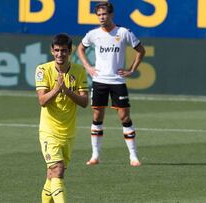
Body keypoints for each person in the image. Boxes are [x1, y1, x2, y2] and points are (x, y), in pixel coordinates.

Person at [77, 2, 145, 167]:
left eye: (104, 14)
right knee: (97, 116)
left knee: (124, 117)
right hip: (99, 81)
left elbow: (141, 50)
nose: (101, 17)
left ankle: (133, 156)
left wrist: (131, 70)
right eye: (99, 15)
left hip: (117, 81)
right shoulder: (93, 34)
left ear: (111, 15)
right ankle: (95, 155)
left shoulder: (123, 32)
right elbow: (80, 48)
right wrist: (88, 67)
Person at [36, 33, 88, 203]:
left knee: (53, 175)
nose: (60, 54)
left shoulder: (79, 71)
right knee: (57, 170)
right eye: (57, 50)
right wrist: (57, 89)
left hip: (68, 133)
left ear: (70, 51)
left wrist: (67, 90)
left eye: (64, 51)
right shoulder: (43, 70)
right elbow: (42, 101)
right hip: (49, 131)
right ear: (52, 51)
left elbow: (84, 102)